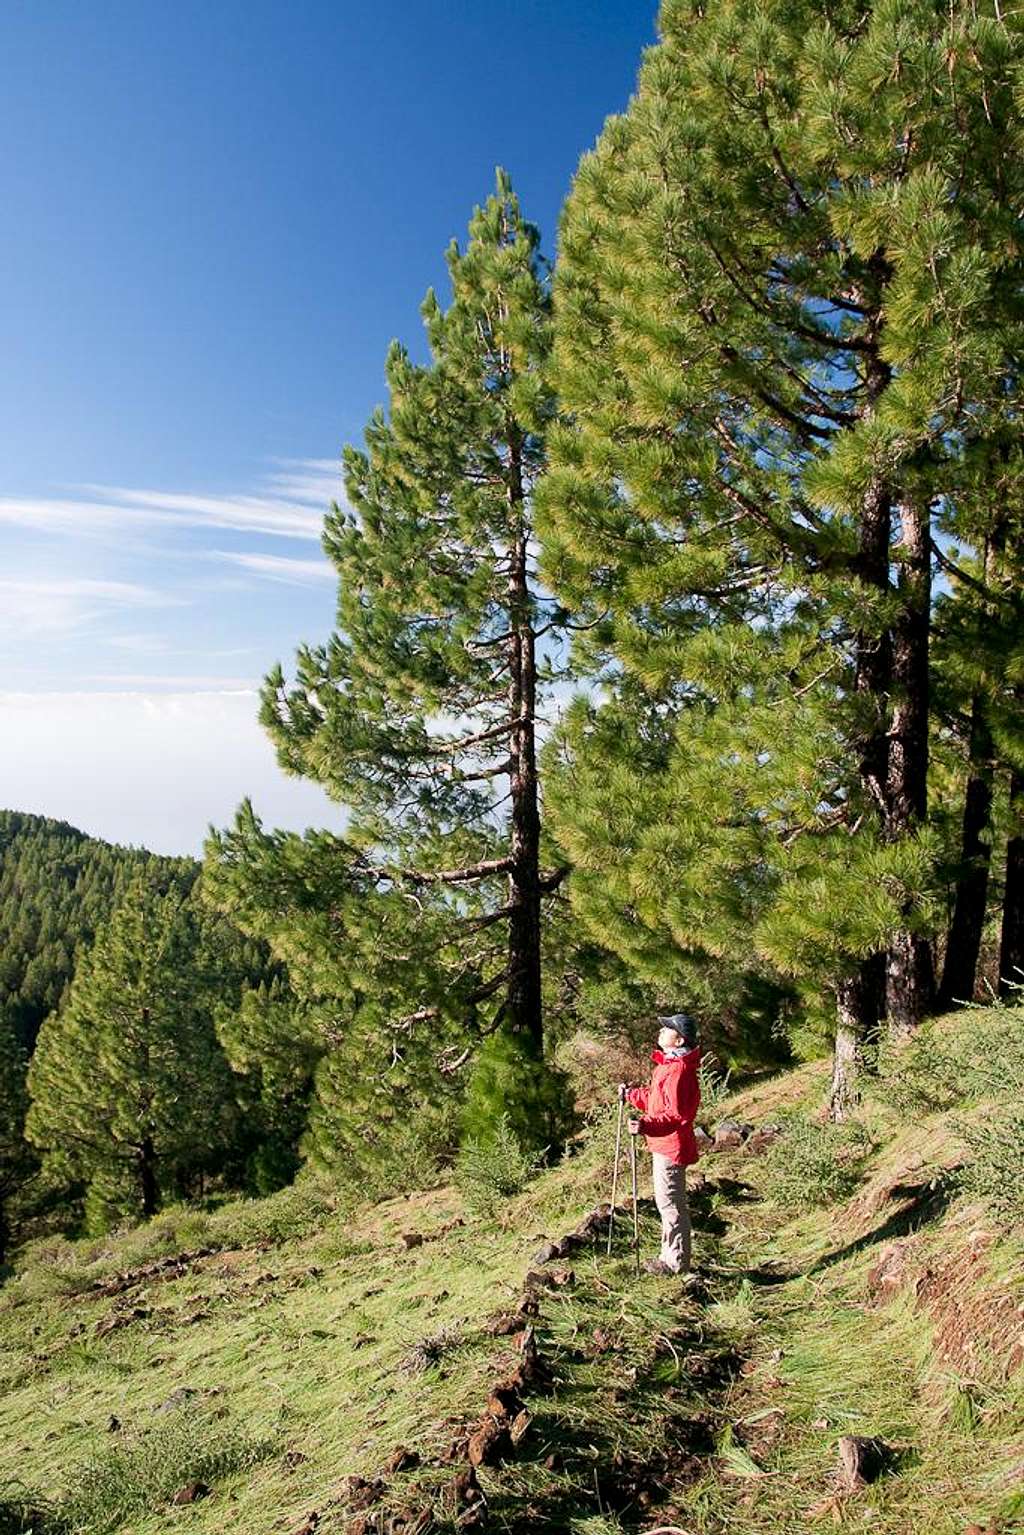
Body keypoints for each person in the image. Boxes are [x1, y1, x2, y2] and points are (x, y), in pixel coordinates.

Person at [621, 1012, 702, 1276]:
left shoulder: (678, 1071)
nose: (660, 1031)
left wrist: (645, 1126)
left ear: (679, 1040)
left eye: (667, 1029)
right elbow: (656, 1102)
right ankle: (669, 1258)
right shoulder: (668, 1066)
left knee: (670, 1204)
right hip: (663, 1143)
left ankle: (675, 1263)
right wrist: (632, 1095)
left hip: (670, 1145)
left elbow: (675, 1116)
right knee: (666, 1202)